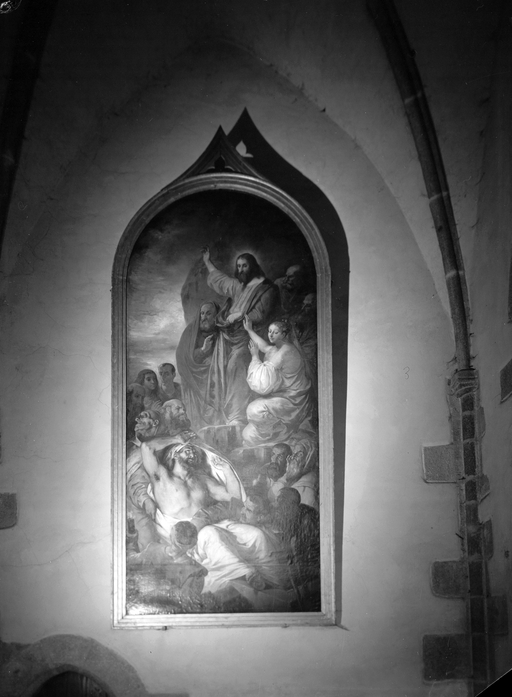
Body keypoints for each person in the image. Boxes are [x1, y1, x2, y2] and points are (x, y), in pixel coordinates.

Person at [140, 441, 287, 593]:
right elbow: (145, 447)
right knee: (212, 534)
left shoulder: (201, 479)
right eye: (187, 450)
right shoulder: (163, 478)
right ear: (175, 455)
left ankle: (278, 579)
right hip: (190, 535)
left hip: (215, 523)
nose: (192, 453)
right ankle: (247, 575)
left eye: (194, 451)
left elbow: (234, 498)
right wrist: (177, 437)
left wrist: (227, 470)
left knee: (256, 535)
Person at [201, 246, 280, 424]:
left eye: (244, 266)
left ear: (252, 266)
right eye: (238, 266)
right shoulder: (239, 286)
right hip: (228, 336)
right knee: (220, 368)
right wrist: (207, 262)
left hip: (250, 337)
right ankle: (222, 416)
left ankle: (237, 415)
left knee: (235, 365)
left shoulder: (267, 289)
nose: (241, 270)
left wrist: (240, 315)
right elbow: (221, 281)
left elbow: (260, 314)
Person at [242, 317, 313, 446]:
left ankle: (283, 431)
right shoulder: (277, 349)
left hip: (292, 402)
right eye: (269, 331)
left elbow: (262, 384)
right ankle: (277, 432)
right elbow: (264, 347)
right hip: (280, 400)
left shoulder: (286, 351)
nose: (271, 335)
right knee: (247, 435)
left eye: (275, 332)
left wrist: (255, 356)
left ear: (284, 335)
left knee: (253, 410)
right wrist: (249, 330)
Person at [175, 301, 220, 430]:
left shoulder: (221, 331)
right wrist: (203, 351)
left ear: (216, 316)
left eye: (208, 313)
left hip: (215, 378)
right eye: (202, 313)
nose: (204, 317)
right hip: (194, 380)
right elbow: (183, 357)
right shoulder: (191, 331)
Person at [286, 438, 319, 510]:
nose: (293, 458)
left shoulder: (306, 487)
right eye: (293, 454)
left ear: (309, 457)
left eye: (299, 454)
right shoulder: (298, 476)